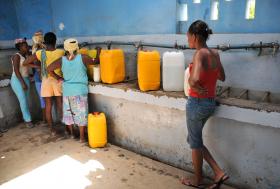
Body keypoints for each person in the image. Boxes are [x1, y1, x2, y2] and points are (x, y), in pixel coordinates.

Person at [181, 20, 227, 189]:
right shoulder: (215, 53)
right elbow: (222, 76)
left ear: (194, 36)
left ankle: (198, 179)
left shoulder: (199, 53)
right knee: (193, 139)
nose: (188, 41)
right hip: (209, 103)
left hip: (197, 104)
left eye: (188, 37)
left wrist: (193, 80)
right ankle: (218, 172)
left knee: (194, 143)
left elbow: (193, 80)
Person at [47, 38, 100, 143]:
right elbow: (97, 61)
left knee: (69, 113)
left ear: (65, 48)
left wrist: (58, 78)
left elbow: (48, 69)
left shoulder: (62, 60)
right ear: (77, 47)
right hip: (79, 91)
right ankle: (81, 138)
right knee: (81, 115)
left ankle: (71, 134)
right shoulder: (83, 58)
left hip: (67, 91)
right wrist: (98, 51)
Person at [23, 32, 64, 135]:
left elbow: (25, 62)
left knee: (48, 105)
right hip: (58, 80)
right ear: (55, 41)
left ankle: (51, 129)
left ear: (45, 42)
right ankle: (66, 126)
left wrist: (38, 67)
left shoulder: (40, 53)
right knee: (60, 104)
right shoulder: (61, 52)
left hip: (46, 81)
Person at [23, 31, 46, 124]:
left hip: (44, 76)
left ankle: (47, 119)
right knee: (44, 99)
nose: (38, 38)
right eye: (37, 36)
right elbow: (27, 63)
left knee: (44, 99)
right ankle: (46, 120)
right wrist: (38, 67)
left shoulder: (40, 47)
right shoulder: (36, 48)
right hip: (41, 77)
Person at [10, 38, 34, 128]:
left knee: (26, 100)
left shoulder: (26, 55)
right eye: (25, 46)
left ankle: (27, 118)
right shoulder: (17, 56)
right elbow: (16, 71)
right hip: (17, 80)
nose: (27, 47)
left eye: (27, 45)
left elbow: (26, 67)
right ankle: (28, 120)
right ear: (20, 47)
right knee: (23, 100)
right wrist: (22, 83)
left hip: (25, 79)